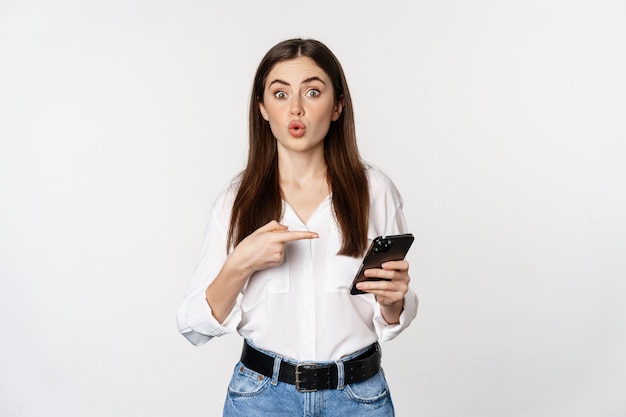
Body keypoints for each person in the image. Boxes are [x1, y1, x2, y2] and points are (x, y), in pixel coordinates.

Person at [177, 38, 418, 416]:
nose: (296, 108)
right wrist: (240, 264)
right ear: (262, 108)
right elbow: (193, 325)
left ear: (337, 106)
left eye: (312, 91)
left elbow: (392, 318)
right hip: (261, 399)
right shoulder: (234, 201)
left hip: (358, 399)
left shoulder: (375, 190)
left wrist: (394, 301)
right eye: (280, 93)